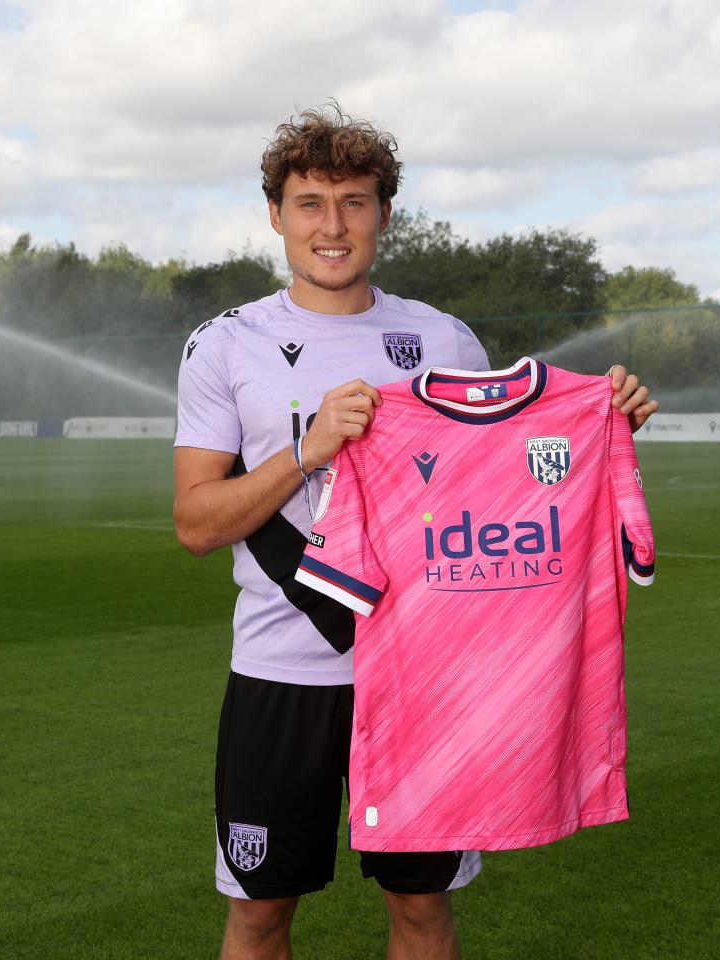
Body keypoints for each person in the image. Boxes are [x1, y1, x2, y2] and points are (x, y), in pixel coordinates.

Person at [173, 104, 659, 960]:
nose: (333, 226)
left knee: (423, 912)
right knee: (257, 915)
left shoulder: (445, 341)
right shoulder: (225, 345)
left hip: (429, 685)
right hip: (281, 674)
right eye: (311, 203)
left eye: (355, 202)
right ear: (276, 214)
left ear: (384, 214)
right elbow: (195, 524)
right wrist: (308, 448)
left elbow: (510, 489)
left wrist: (601, 427)